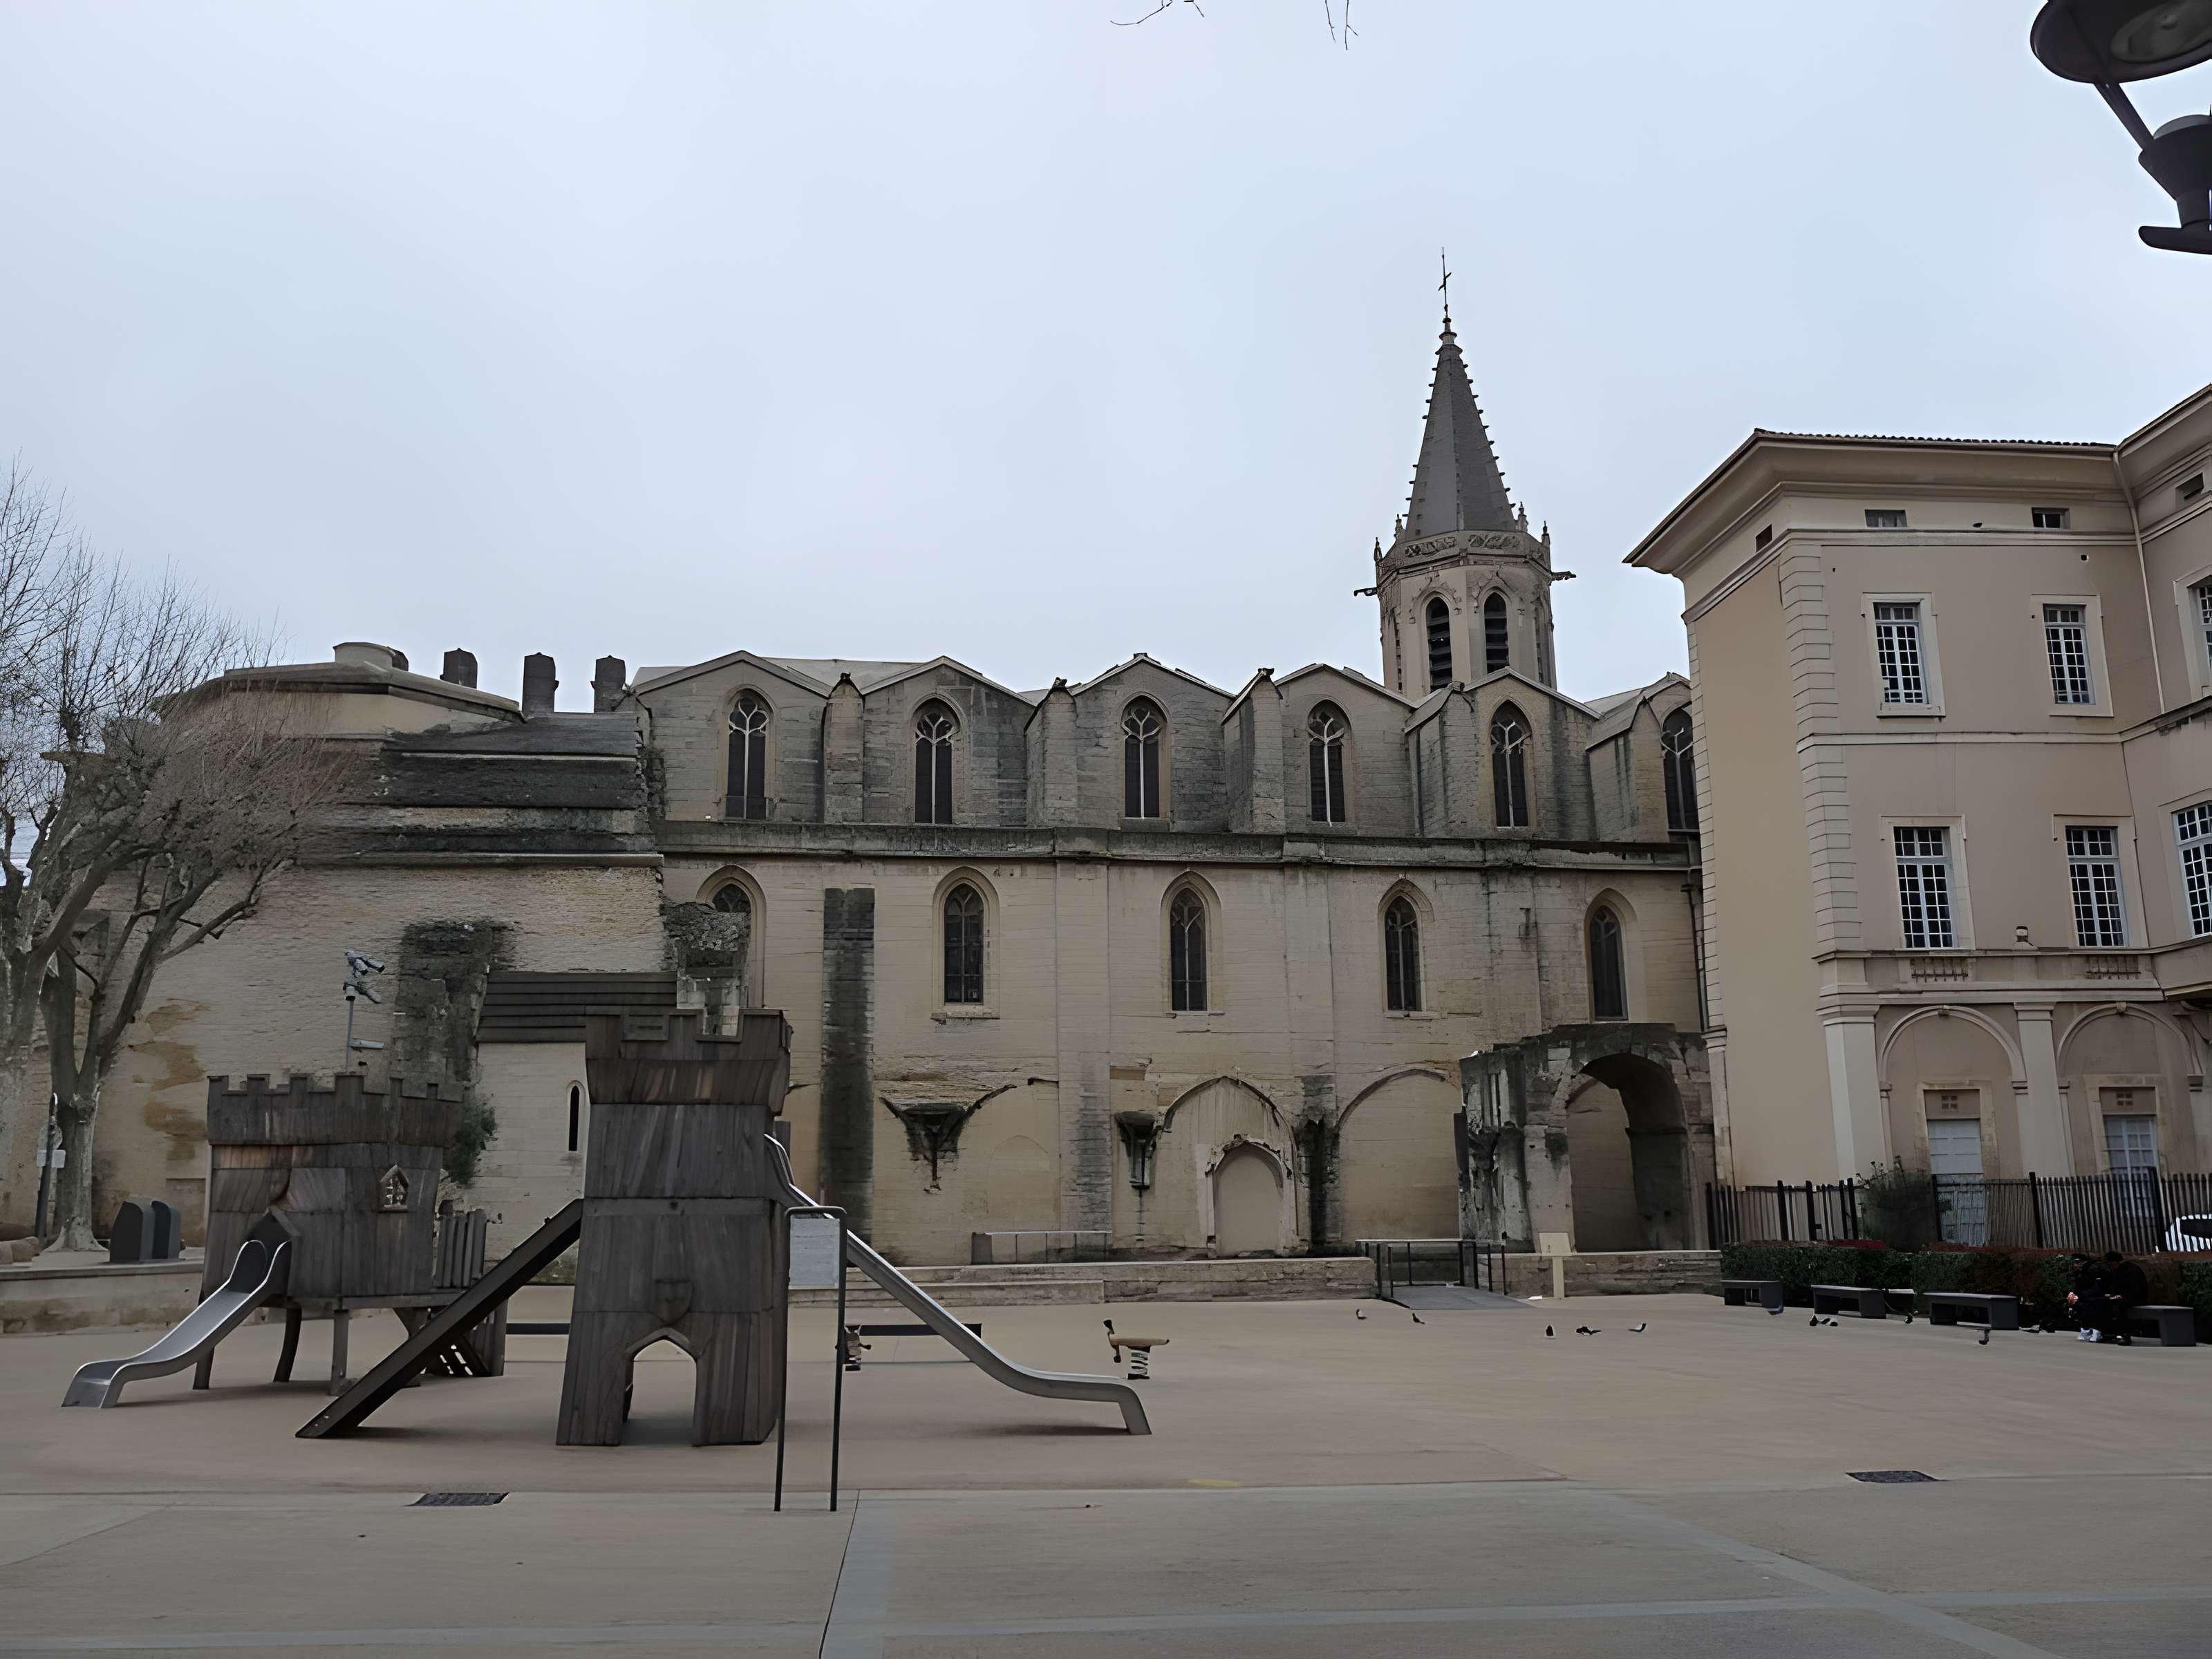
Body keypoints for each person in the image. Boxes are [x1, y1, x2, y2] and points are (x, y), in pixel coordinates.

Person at [2097, 1250, 2149, 1347]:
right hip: (2126, 1297)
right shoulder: (2120, 1270)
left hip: (2136, 1298)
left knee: (2121, 1307)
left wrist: (2120, 1296)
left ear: (2114, 1262)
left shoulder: (2130, 1270)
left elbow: (2136, 1288)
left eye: (2109, 1264)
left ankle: (2125, 1335)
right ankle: (2108, 1333)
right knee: (2102, 1303)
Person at [2066, 1253, 2105, 1342]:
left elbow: (2096, 1286)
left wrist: (2082, 1294)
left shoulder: (2092, 1270)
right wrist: (2074, 1295)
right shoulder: (2080, 1273)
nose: (2076, 1265)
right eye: (2075, 1263)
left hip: (2094, 1296)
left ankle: (2095, 1333)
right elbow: (2078, 1286)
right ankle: (2085, 1332)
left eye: (2078, 1262)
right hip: (2086, 1295)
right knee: (2079, 1307)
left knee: (2091, 1309)